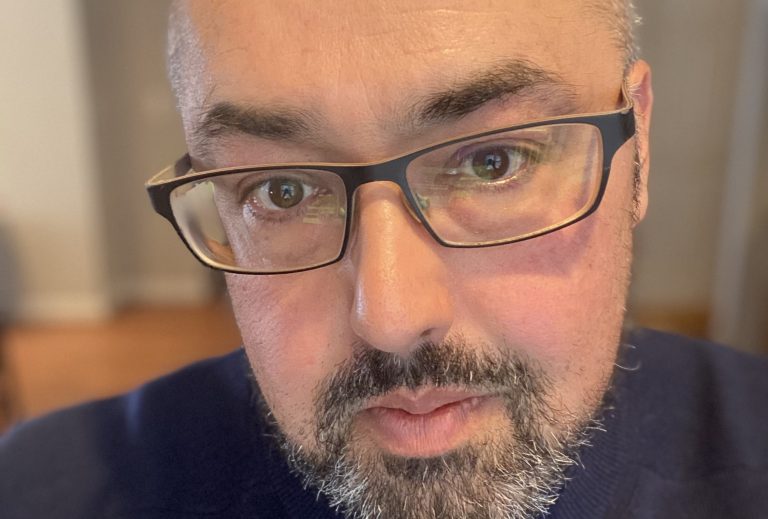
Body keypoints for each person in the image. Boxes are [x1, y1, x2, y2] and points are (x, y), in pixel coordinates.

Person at [2, 1, 767, 518]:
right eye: (282, 189)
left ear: (639, 147)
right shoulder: (41, 492)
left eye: (494, 162)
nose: (392, 316)